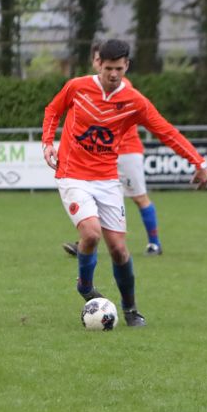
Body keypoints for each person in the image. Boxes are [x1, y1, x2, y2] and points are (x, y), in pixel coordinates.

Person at [43, 39, 207, 326]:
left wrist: (197, 161)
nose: (113, 74)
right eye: (108, 68)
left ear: (127, 66)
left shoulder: (134, 101)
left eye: (119, 69)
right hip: (73, 174)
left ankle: (130, 309)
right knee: (91, 234)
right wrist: (48, 142)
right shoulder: (77, 87)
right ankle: (85, 286)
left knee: (119, 250)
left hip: (107, 179)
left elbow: (166, 131)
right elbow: (53, 110)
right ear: (98, 64)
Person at [62, 43, 164, 257]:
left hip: (126, 151)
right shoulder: (89, 87)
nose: (109, 70)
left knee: (139, 197)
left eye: (116, 67)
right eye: (99, 60)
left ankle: (154, 243)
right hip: (100, 156)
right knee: (93, 196)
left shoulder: (120, 86)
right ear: (97, 62)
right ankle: (86, 241)